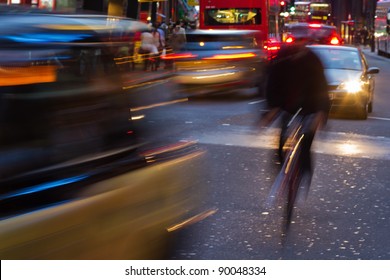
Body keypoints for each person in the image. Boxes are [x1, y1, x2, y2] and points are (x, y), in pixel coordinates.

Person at [262, 41, 330, 198]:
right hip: (287, 105)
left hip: (310, 105)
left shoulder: (313, 60)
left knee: (306, 142)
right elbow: (271, 84)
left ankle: (304, 174)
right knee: (281, 140)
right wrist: (271, 110)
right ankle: (281, 173)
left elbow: (321, 88)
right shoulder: (281, 60)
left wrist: (321, 113)